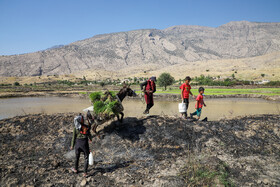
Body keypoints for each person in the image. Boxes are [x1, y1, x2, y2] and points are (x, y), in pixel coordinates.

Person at [71, 113, 93, 177]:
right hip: (84, 144)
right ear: (82, 120)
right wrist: (90, 139)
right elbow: (89, 134)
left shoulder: (75, 128)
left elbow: (73, 137)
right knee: (86, 157)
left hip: (77, 144)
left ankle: (75, 169)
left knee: (77, 157)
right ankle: (85, 173)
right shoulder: (86, 127)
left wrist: (72, 145)